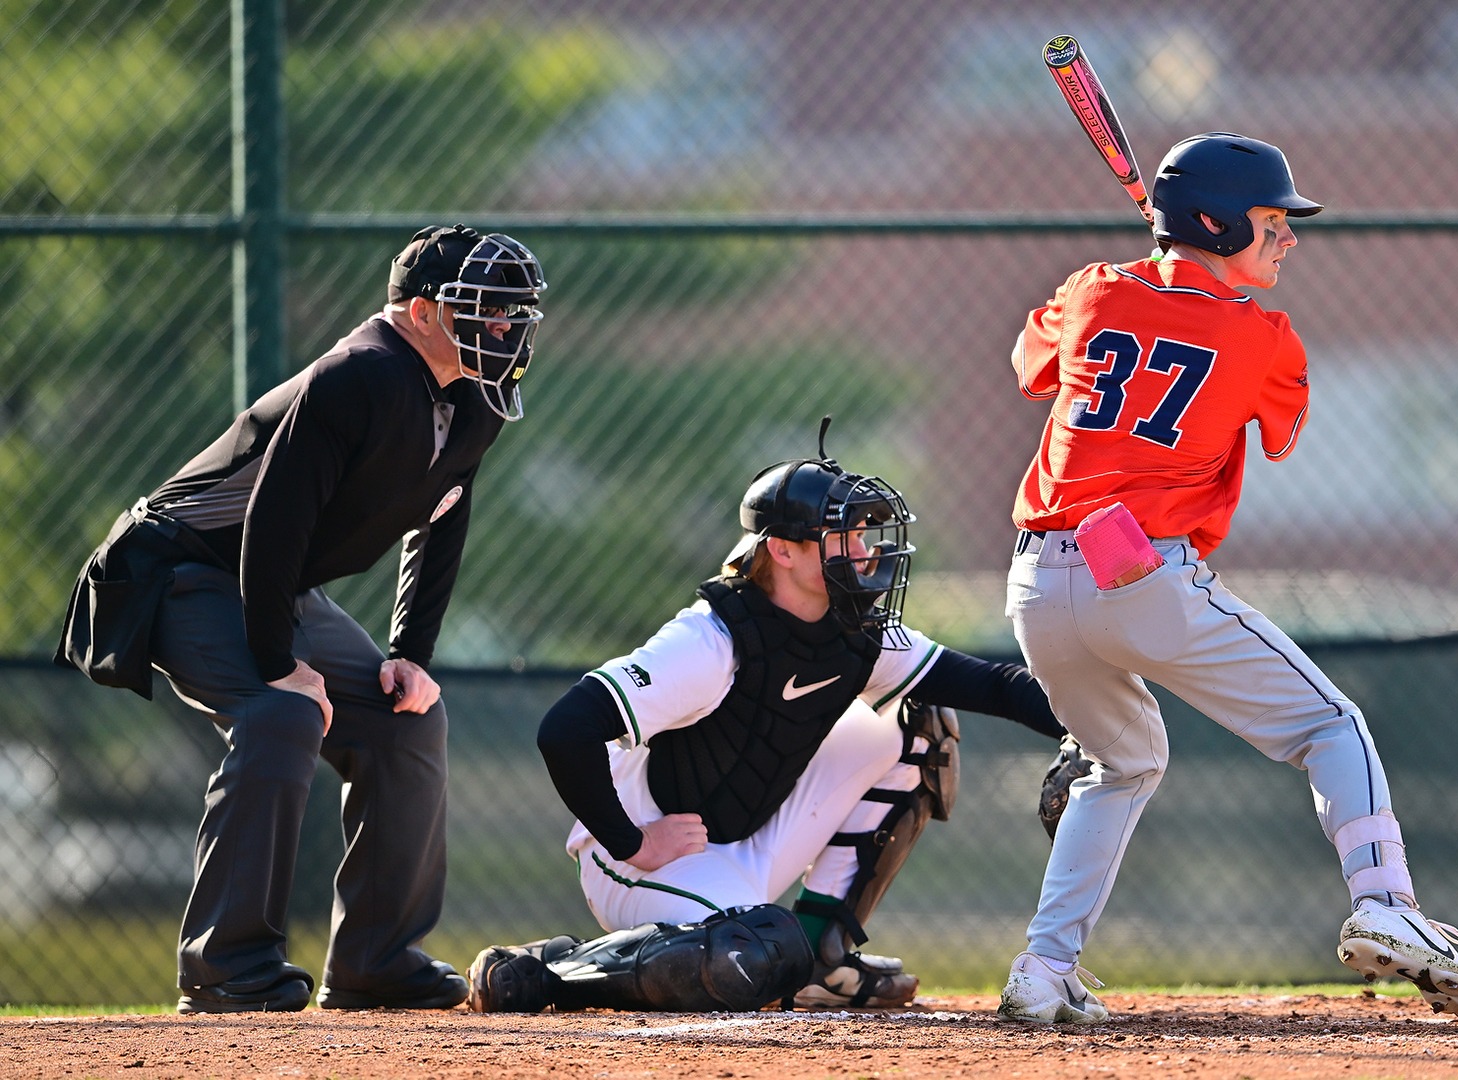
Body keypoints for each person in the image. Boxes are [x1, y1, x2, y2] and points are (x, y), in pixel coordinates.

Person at [994, 133, 1458, 1027]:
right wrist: (1197, 303)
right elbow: (1281, 430)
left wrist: (1140, 287)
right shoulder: (1264, 335)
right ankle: (1386, 903)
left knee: (1123, 765)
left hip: (1039, 587)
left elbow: (1029, 367)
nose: (1289, 238)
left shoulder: (1094, 288)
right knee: (1331, 724)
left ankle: (1043, 968)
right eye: (1272, 222)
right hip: (1143, 574)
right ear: (1217, 222)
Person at [55, 225, 548, 1013]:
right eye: (486, 311)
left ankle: (376, 962)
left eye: (512, 312)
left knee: (406, 721)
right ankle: (226, 969)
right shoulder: (359, 376)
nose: (505, 329)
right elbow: (273, 521)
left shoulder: (472, 395)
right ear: (422, 312)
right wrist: (280, 661)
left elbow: (444, 515)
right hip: (177, 569)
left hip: (268, 583)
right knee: (280, 711)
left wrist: (410, 653)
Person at [464, 437, 1067, 1013]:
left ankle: (819, 961)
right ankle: (552, 972)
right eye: (844, 534)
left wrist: (1098, 730)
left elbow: (995, 684)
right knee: (746, 957)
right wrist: (632, 842)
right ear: (782, 549)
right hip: (645, 855)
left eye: (863, 533)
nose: (865, 550)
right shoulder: (711, 639)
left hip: (748, 834)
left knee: (921, 723)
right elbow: (565, 728)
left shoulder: (858, 632)